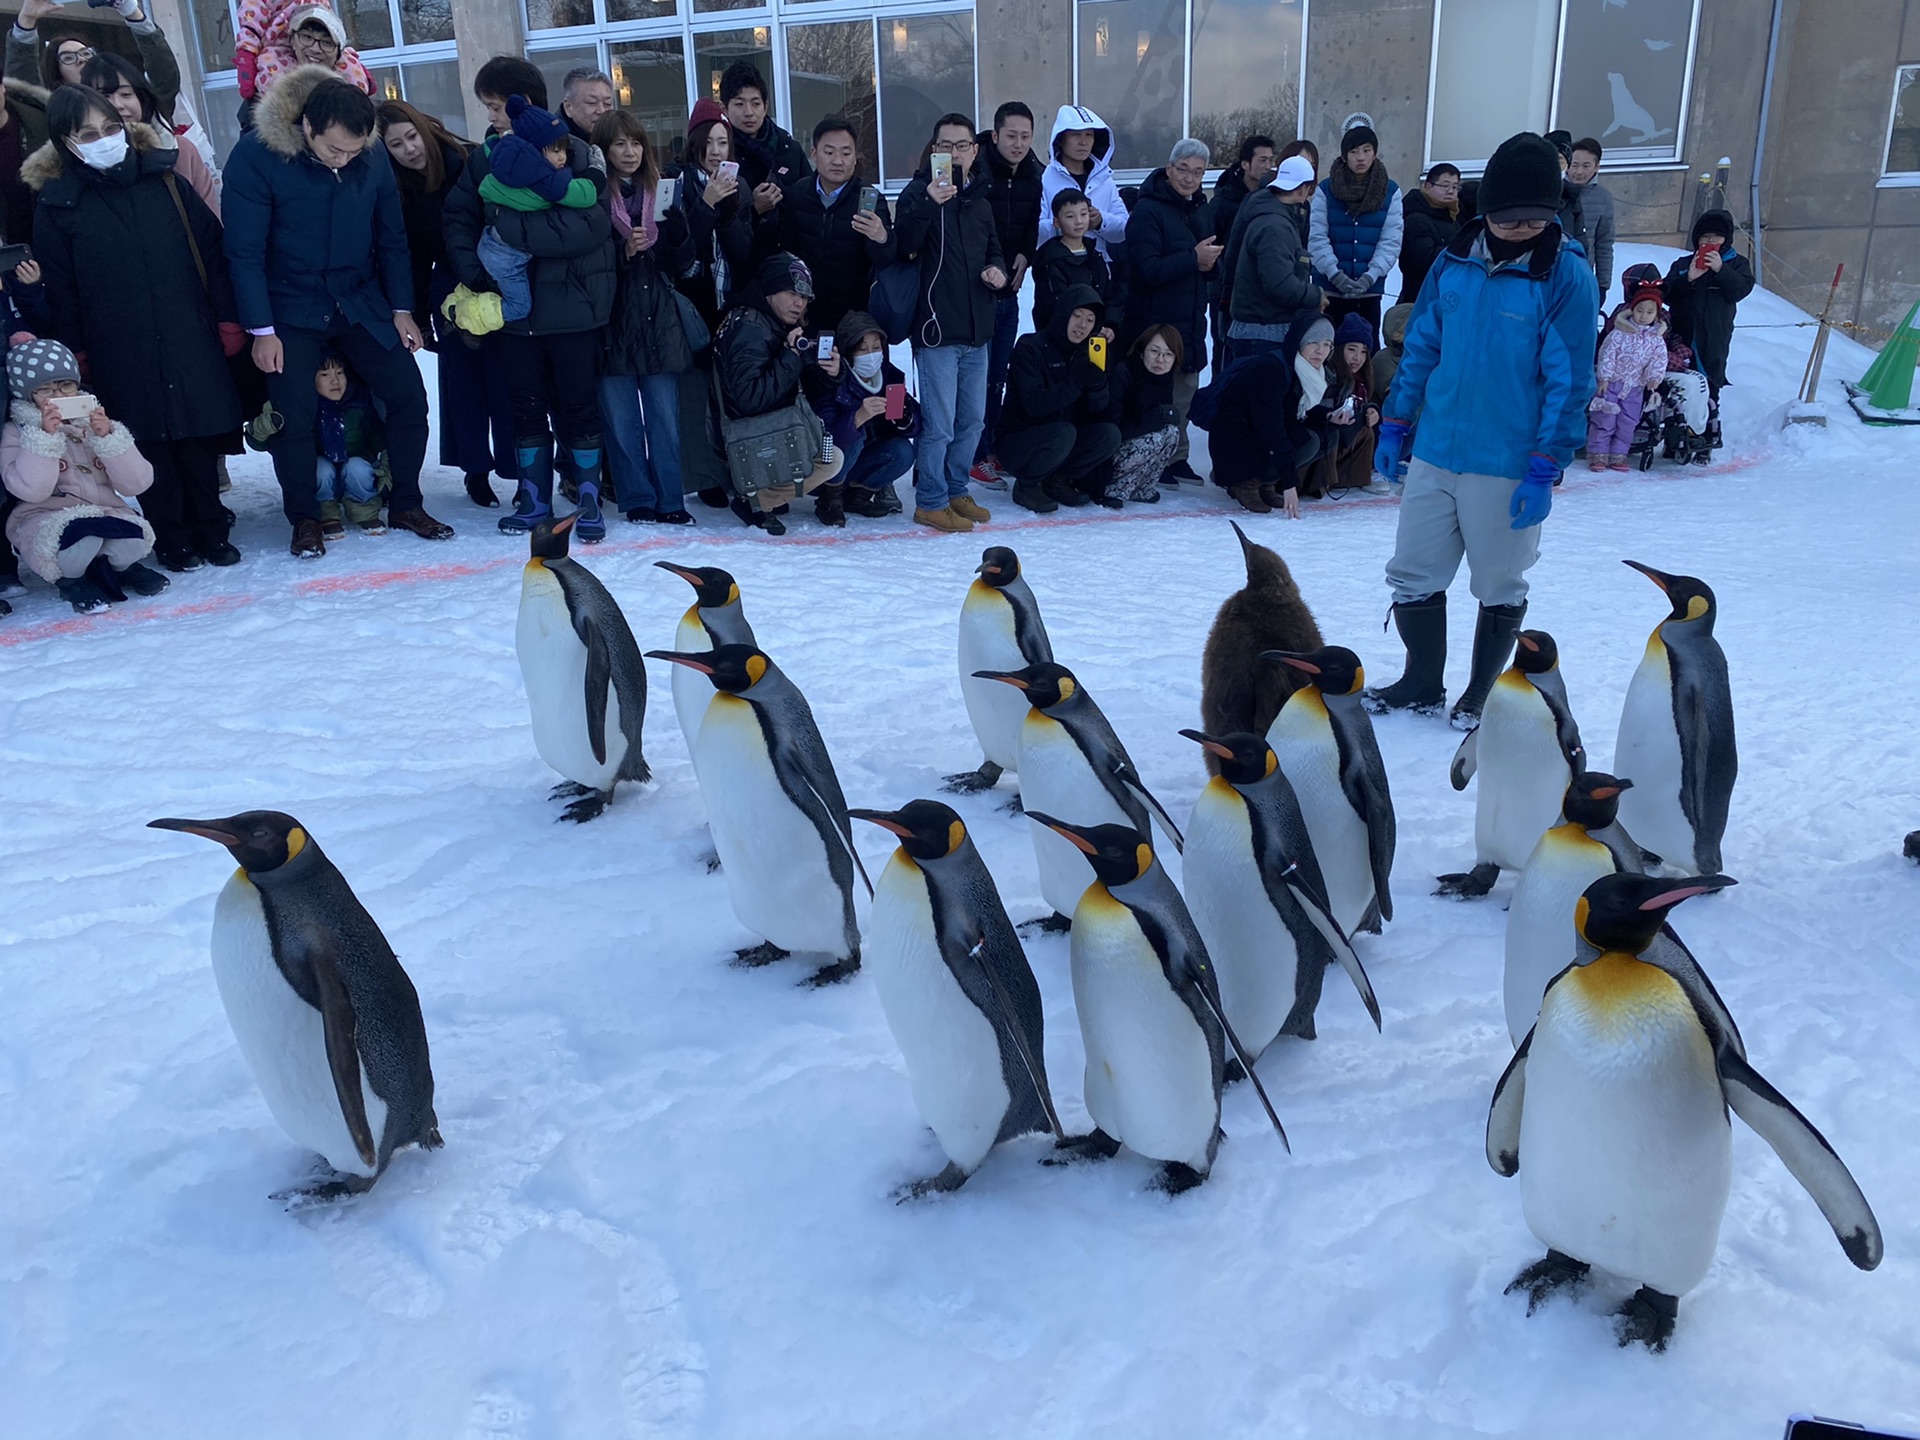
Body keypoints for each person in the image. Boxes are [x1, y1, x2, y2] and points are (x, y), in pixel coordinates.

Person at [1366, 131, 1598, 729]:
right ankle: (1421, 682)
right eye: (1508, 217)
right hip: (1438, 448)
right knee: (1413, 568)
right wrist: (1395, 423)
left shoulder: (1565, 276)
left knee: (1498, 579)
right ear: (1484, 208)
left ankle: (1480, 690)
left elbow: (1569, 380)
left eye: (1534, 219)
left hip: (1508, 460)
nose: (1521, 228)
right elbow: (1420, 347)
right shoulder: (1453, 260)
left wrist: (1547, 466)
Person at [224, 67, 452, 557]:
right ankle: (305, 517)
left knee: (409, 395)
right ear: (307, 127)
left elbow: (391, 237)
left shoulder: (368, 155)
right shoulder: (256, 156)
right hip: (289, 304)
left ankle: (407, 502)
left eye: (356, 150)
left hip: (359, 298)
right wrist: (263, 330)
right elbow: (243, 251)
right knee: (293, 414)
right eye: (335, 150)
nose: (346, 159)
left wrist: (401, 308)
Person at [30, 83, 244, 572]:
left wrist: (228, 318)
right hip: (116, 341)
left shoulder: (164, 180)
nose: (104, 138)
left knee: (196, 435)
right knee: (145, 441)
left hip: (188, 327)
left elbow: (211, 251)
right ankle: (170, 534)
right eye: (89, 133)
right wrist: (77, 353)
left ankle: (212, 528)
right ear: (67, 142)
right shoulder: (58, 204)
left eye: (111, 127)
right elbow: (61, 289)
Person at [444, 82, 612, 539]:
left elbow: (587, 228)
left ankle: (588, 500)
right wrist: (475, 269)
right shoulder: (493, 160)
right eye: (490, 108)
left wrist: (507, 225)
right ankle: (535, 498)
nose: (493, 115)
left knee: (579, 408)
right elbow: (460, 218)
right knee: (526, 409)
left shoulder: (582, 157)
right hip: (517, 320)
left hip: (573, 311)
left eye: (498, 106)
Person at [379, 99, 512, 511]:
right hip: (448, 291)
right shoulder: (398, 189)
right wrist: (417, 313)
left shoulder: (467, 159)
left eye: (412, 136)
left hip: (495, 283)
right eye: (396, 145)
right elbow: (413, 255)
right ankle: (476, 470)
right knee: (463, 386)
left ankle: (520, 468)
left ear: (425, 127)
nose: (409, 149)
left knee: (506, 383)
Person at [892, 112, 1004, 533]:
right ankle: (931, 499)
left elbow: (994, 250)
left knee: (972, 420)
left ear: (975, 151)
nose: (954, 153)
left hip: (977, 330)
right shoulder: (917, 193)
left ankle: (957, 489)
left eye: (962, 146)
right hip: (936, 331)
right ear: (933, 149)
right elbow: (901, 246)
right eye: (946, 146)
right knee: (938, 425)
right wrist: (927, 203)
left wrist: (997, 271)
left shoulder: (981, 201)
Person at [2, 336, 168, 611]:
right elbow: (31, 490)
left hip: (104, 510)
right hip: (44, 517)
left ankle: (120, 568)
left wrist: (110, 439)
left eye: (66, 386)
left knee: (130, 540)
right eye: (46, 390)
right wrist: (44, 438)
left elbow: (138, 483)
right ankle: (72, 580)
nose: (59, 397)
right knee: (79, 542)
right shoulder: (17, 432)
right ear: (27, 394)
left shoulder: (95, 424)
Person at [594, 108, 696, 527]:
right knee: (621, 422)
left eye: (635, 142)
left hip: (660, 320)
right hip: (613, 323)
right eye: (619, 143)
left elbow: (685, 264)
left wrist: (675, 233)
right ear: (604, 149)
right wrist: (624, 253)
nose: (630, 151)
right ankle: (636, 498)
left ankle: (671, 498)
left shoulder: (663, 191)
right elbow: (588, 264)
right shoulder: (595, 197)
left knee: (664, 420)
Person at [713, 251, 843, 531]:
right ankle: (755, 498)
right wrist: (791, 356)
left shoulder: (767, 322)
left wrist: (830, 372)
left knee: (829, 444)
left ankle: (765, 491)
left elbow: (793, 383)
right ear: (770, 289)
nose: (800, 303)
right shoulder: (750, 328)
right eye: (792, 292)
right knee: (830, 459)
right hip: (744, 438)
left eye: (806, 297)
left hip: (761, 431)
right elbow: (749, 400)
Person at [1122, 136, 1216, 484]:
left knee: (1184, 395)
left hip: (1190, 319)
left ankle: (1176, 457)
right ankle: (1150, 459)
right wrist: (1193, 259)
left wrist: (1210, 264)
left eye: (1198, 172)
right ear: (1168, 169)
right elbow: (1145, 269)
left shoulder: (1201, 209)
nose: (1190, 178)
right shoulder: (1147, 210)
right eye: (1183, 170)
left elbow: (1208, 261)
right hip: (1154, 322)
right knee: (1154, 396)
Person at [473, 95, 600, 326]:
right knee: (519, 307)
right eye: (554, 151)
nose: (562, 157)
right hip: (507, 259)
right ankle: (466, 314)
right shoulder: (545, 181)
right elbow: (586, 194)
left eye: (563, 149)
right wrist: (597, 171)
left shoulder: (502, 159)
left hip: (492, 243)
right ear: (532, 150)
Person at [997, 284, 1120, 514]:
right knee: (1064, 432)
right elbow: (1034, 405)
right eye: (1077, 316)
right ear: (1064, 313)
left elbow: (1098, 410)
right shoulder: (1030, 347)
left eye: (1090, 320)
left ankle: (1057, 480)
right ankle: (1028, 485)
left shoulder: (1088, 352)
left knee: (1109, 435)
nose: (1082, 325)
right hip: (1019, 441)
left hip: (1061, 441)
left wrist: (1097, 384)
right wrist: (1075, 382)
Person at [970, 100, 1043, 486]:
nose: (1018, 144)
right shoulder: (976, 168)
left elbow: (1033, 226)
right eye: (1011, 136)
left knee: (998, 375)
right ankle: (974, 453)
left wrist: (1024, 255)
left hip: (1009, 293)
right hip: (975, 291)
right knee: (976, 377)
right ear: (995, 135)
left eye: (1025, 137)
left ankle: (990, 448)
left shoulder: (1034, 175)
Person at [775, 113, 893, 334]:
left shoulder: (870, 199)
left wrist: (882, 237)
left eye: (846, 153)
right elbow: (787, 253)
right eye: (829, 152)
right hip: (807, 313)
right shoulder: (797, 195)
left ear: (855, 157)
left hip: (857, 317)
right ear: (814, 154)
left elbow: (886, 260)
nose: (838, 161)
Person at [810, 309, 917, 519]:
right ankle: (829, 500)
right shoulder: (831, 379)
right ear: (848, 352)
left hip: (864, 461)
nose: (871, 355)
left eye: (876, 348)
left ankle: (857, 497)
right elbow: (826, 439)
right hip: (826, 469)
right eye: (862, 350)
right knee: (854, 438)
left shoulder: (890, 375)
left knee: (904, 451)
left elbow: (914, 427)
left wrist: (905, 417)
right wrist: (858, 417)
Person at [1662, 208, 1752, 455]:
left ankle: (1705, 439)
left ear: (1726, 239)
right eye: (1705, 237)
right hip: (1683, 336)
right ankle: (1676, 438)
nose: (1710, 242)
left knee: (1711, 386)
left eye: (1716, 237)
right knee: (1681, 388)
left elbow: (1741, 290)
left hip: (1715, 336)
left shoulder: (1737, 263)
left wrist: (1721, 270)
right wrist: (1688, 278)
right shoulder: (1682, 264)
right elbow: (1665, 293)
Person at [80, 52, 215, 214]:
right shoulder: (80, 160)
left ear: (141, 98)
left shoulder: (179, 150)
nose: (118, 105)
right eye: (104, 96)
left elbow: (210, 218)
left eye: (125, 94)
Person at [1308, 123, 1402, 344]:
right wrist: (1335, 274)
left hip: (1369, 290)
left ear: (1375, 154)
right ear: (1344, 156)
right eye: (1354, 151)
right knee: (1329, 353)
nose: (1360, 157)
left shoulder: (1390, 191)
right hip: (1330, 290)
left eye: (1366, 150)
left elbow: (1391, 240)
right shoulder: (1325, 190)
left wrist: (1371, 276)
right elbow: (1317, 237)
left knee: (1364, 353)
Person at [1223, 154, 1322, 359]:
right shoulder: (1274, 226)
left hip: (1259, 330)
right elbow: (1279, 285)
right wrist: (1316, 295)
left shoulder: (1272, 215)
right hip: (1263, 334)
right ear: (1304, 188)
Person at [1207, 134, 1275, 371]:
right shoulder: (1223, 202)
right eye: (1262, 160)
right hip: (1224, 291)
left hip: (1257, 294)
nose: (1268, 166)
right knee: (1224, 352)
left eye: (1270, 160)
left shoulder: (1272, 199)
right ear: (1245, 164)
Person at [1586, 280, 1669, 472]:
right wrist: (1604, 377)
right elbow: (1607, 354)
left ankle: (1618, 455)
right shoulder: (1619, 333)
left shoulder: (1656, 339)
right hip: (1612, 383)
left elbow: (1659, 360)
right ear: (1632, 310)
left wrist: (1653, 378)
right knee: (1604, 419)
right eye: (1640, 310)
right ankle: (1598, 454)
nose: (1643, 316)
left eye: (1649, 312)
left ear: (1656, 315)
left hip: (1635, 387)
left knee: (1627, 422)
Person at [1301, 312, 1386, 498]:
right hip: (1321, 433)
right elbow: (1315, 410)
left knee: (1368, 425)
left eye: (1363, 351)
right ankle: (1319, 481)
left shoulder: (1361, 379)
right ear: (1339, 349)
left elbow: (1364, 401)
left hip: (1344, 434)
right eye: (1352, 349)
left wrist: (1371, 409)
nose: (1358, 357)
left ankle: (1353, 478)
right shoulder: (1329, 374)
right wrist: (1333, 416)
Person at [233, 3, 373, 112]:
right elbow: (250, 23)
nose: (315, 48)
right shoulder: (276, 69)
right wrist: (247, 54)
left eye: (326, 42)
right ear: (293, 40)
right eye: (307, 37)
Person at [1105, 324, 1182, 505]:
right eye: (1154, 351)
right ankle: (1115, 489)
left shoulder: (1164, 378)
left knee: (1171, 433)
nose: (1160, 360)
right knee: (1154, 438)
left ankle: (1142, 487)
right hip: (1110, 452)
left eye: (1168, 354)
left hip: (1137, 438)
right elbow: (1115, 427)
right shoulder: (1123, 374)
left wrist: (1161, 416)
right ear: (1141, 351)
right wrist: (1160, 415)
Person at [310, 351, 384, 538]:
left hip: (352, 470)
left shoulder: (358, 402)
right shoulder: (308, 408)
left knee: (357, 467)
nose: (335, 381)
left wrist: (385, 461)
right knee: (320, 468)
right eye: (325, 375)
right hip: (325, 477)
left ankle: (363, 509)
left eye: (340, 373)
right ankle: (326, 513)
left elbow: (376, 436)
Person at [720, 59, 808, 217]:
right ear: (724, 109)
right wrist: (754, 209)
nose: (749, 112)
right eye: (739, 104)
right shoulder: (721, 155)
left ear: (765, 106)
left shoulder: (788, 149)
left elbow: (809, 203)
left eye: (755, 104)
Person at [1032, 188, 1120, 333]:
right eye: (1070, 216)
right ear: (1056, 222)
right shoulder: (1050, 260)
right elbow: (1053, 305)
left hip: (1097, 335)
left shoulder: (1095, 255)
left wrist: (1110, 324)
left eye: (1083, 214)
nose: (1079, 221)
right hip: (1063, 337)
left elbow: (1109, 295)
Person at [1038, 103, 1126, 249]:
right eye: (1075, 134)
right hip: (1057, 266)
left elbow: (1124, 230)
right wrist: (1063, 223)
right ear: (1060, 139)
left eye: (1089, 135)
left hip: (1097, 267)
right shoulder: (1044, 179)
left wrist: (1100, 221)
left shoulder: (1105, 179)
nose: (1083, 142)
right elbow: (1034, 232)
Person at [1398, 162, 1460, 304]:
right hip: (1419, 300)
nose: (1451, 191)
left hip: (1445, 297)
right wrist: (1461, 250)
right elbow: (1424, 262)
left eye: (1455, 187)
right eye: (1445, 186)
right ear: (1427, 186)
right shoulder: (1415, 219)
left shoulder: (1452, 219)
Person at [1567, 138, 1615, 300]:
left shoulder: (1603, 198)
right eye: (1574, 165)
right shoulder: (1553, 192)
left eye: (1586, 166)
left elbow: (1604, 244)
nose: (1579, 171)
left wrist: (1602, 285)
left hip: (1584, 276)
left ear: (1597, 167)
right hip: (1552, 276)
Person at [559, 68, 613, 144]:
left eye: (607, 104)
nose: (601, 111)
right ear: (568, 107)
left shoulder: (619, 137)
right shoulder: (555, 144)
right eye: (592, 103)